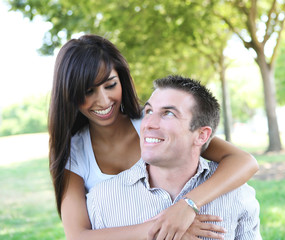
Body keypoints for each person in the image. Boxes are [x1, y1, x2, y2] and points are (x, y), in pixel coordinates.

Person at [48, 34, 259, 240]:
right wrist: (164, 228)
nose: (103, 100)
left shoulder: (152, 124)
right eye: (88, 91)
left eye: (110, 85)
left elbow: (244, 162)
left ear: (121, 79)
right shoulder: (73, 151)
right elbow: (77, 235)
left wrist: (187, 206)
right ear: (69, 94)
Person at [87, 75, 262, 239]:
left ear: (202, 135)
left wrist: (189, 205)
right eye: (148, 111)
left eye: (168, 113)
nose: (148, 123)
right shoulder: (103, 199)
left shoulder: (237, 194)